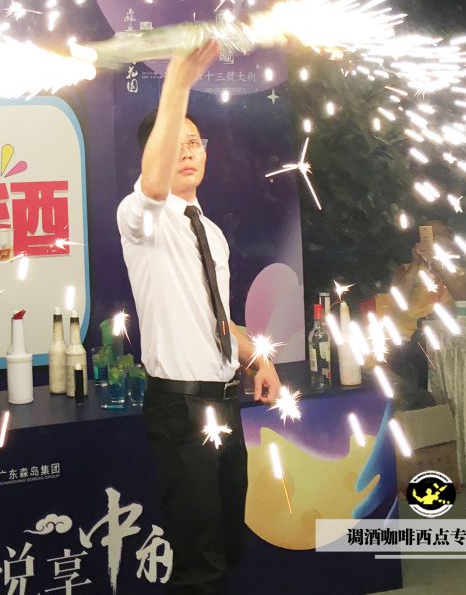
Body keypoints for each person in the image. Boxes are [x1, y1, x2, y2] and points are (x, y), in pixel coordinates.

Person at [116, 41, 282, 594]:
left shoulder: (210, 232)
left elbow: (218, 320)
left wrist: (257, 358)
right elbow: (154, 183)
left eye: (196, 143)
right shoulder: (141, 216)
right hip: (179, 407)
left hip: (223, 402)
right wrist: (178, 84)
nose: (189, 152)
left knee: (229, 542)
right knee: (199, 558)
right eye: (177, 143)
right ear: (155, 154)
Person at [387, 219, 466, 407]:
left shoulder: (459, 273)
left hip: (446, 343)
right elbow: (397, 302)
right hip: (406, 342)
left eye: (439, 235)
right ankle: (422, 407)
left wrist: (438, 264)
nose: (433, 240)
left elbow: (464, 296)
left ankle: (430, 408)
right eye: (429, 235)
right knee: (418, 345)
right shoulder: (406, 270)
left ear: (450, 241)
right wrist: (416, 264)